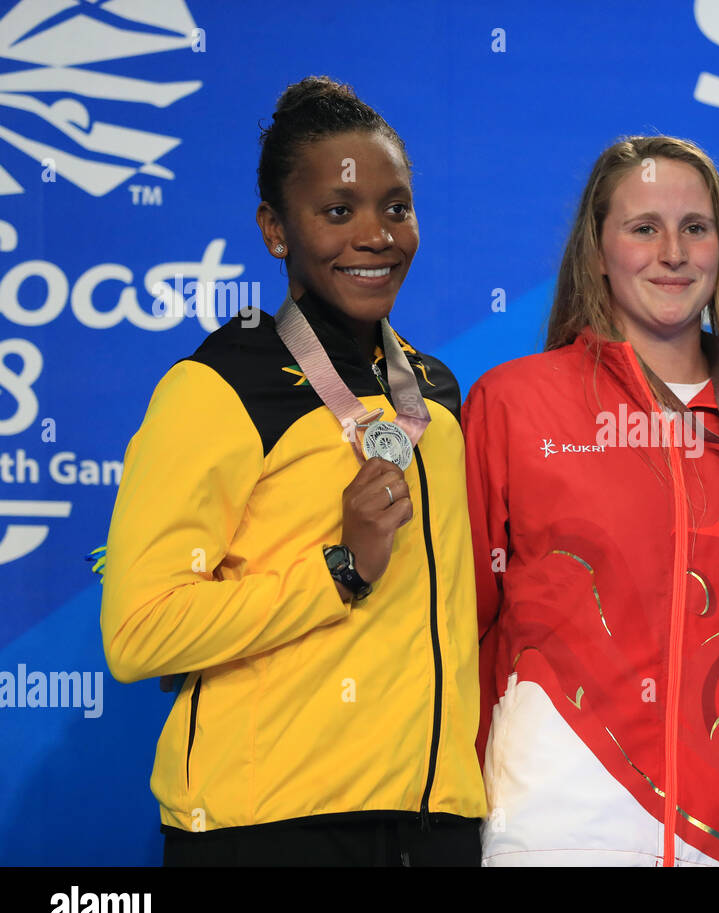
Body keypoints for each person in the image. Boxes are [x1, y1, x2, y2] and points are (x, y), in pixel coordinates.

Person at [100, 77, 485, 866]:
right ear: (276, 230)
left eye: (396, 207)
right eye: (338, 212)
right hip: (272, 828)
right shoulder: (217, 385)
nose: (376, 234)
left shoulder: (438, 395)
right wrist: (338, 570)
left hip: (430, 823)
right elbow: (137, 635)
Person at [463, 135, 719, 866]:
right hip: (554, 832)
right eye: (644, 227)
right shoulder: (513, 402)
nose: (672, 252)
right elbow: (462, 633)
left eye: (695, 228)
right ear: (598, 250)